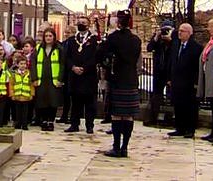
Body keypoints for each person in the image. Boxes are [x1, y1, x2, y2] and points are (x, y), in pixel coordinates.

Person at [97, 10, 143, 158]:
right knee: (128, 116)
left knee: (117, 115)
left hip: (117, 80)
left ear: (118, 22)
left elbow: (101, 55)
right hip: (131, 80)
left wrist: (104, 45)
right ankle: (125, 147)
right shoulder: (136, 40)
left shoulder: (113, 38)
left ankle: (116, 147)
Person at [65, 16, 100, 134]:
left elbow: (95, 57)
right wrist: (73, 67)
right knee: (75, 102)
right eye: (79, 22)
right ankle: (74, 124)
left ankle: (89, 125)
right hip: (75, 77)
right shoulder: (72, 40)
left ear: (88, 25)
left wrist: (84, 68)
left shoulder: (94, 40)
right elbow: (67, 57)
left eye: (83, 23)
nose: (81, 24)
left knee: (90, 103)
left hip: (89, 76)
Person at [167, 23, 203, 138]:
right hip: (177, 81)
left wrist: (196, 82)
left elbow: (198, 67)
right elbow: (172, 62)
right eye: (179, 30)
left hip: (189, 82)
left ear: (189, 33)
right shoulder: (176, 45)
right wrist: (170, 78)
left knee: (190, 106)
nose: (179, 33)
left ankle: (190, 129)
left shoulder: (196, 47)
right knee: (178, 105)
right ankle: (179, 128)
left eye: (182, 31)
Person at [32, 27, 63, 132]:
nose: (48, 38)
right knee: (42, 101)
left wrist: (60, 79)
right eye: (46, 36)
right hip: (41, 80)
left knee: (53, 102)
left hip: (53, 80)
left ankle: (51, 121)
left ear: (54, 37)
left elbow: (63, 65)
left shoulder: (59, 48)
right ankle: (44, 121)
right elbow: (33, 64)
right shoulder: (38, 48)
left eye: (50, 36)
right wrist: (34, 78)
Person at [146, 22, 174, 126]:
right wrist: (156, 37)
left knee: (171, 96)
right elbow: (149, 48)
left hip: (169, 72)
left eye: (167, 30)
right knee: (156, 96)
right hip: (158, 71)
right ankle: (153, 117)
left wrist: (170, 40)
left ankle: (169, 118)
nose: (164, 32)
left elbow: (175, 51)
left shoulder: (174, 39)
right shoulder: (158, 40)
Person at [9, 55, 35, 130]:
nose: (23, 65)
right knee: (17, 112)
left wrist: (32, 94)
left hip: (26, 97)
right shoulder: (14, 74)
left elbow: (31, 85)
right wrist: (12, 94)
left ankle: (24, 124)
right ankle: (18, 124)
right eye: (21, 64)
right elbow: (11, 85)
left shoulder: (29, 74)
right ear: (17, 64)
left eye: (24, 64)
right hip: (17, 96)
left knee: (25, 112)